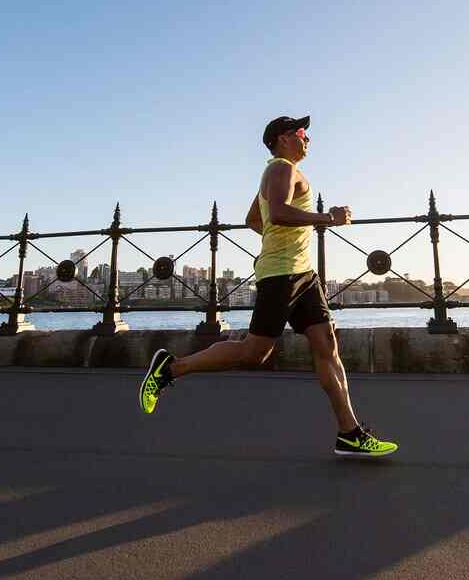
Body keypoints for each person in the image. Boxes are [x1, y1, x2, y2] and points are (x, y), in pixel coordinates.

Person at [139, 115, 398, 458]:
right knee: (253, 353)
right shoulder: (280, 169)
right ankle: (170, 368)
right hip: (281, 276)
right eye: (301, 132)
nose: (307, 138)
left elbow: (254, 219)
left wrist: (282, 243)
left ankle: (350, 433)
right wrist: (327, 219)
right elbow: (276, 213)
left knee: (327, 345)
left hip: (303, 274)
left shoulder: (283, 171)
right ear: (282, 138)